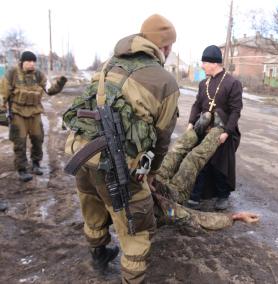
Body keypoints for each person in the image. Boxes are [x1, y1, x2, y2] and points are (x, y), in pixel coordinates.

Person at [64, 14, 179, 283]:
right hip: (117, 163)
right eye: (171, 46)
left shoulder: (109, 64)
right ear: (165, 46)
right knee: (137, 230)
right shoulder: (164, 80)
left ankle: (98, 254)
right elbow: (162, 138)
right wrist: (151, 173)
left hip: (81, 152)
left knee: (92, 206)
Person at [186, 45, 243, 211]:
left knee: (219, 165)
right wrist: (191, 122)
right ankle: (196, 195)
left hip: (222, 131)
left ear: (214, 63)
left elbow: (235, 111)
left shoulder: (232, 83)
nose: (202, 66)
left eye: (204, 62)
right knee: (200, 163)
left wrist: (227, 132)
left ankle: (223, 196)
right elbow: (197, 104)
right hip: (203, 129)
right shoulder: (203, 83)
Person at [1, 51, 67, 182]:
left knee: (38, 138)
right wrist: (2, 108)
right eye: (29, 61)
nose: (32, 64)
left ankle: (36, 164)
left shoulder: (39, 74)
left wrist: (60, 83)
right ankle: (22, 169)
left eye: (33, 61)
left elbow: (50, 90)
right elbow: (3, 93)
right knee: (19, 141)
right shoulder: (12, 73)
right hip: (18, 112)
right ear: (22, 62)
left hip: (35, 112)